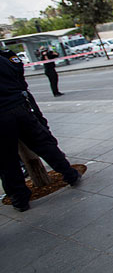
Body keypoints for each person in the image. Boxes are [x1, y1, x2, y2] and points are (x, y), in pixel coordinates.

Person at [0, 49, 82, 212]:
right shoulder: (4, 57)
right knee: (43, 144)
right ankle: (69, 174)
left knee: (6, 160)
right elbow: (18, 71)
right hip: (19, 107)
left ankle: (19, 198)